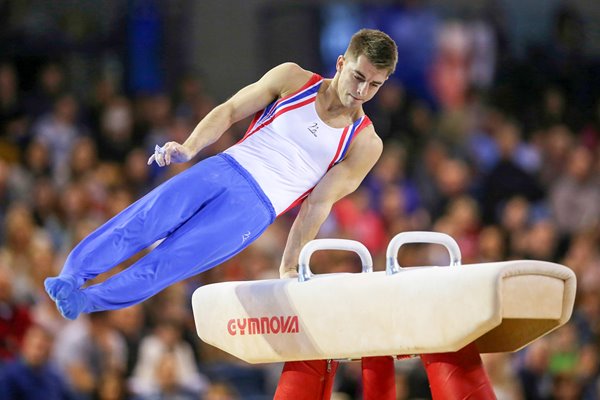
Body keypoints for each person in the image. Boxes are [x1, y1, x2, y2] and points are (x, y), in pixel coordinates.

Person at [44, 28, 398, 320]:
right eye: (358, 76)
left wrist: (288, 266)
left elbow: (317, 205)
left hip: (255, 210)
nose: (362, 91)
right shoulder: (294, 79)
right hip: (223, 169)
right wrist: (189, 146)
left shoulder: (365, 143)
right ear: (341, 62)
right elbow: (229, 111)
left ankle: (86, 302)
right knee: (141, 222)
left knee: (170, 263)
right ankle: (72, 275)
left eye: (374, 85)